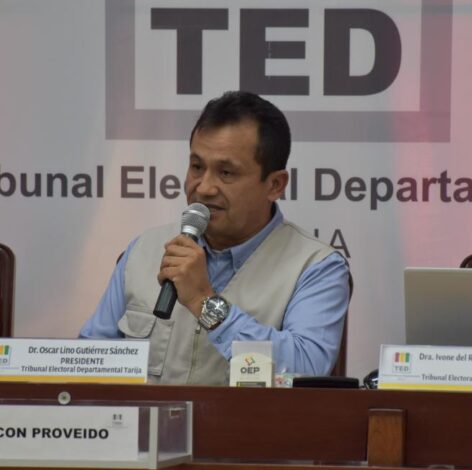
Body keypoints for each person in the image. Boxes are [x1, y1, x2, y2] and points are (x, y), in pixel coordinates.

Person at [80, 91, 351, 385]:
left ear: (275, 184)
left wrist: (205, 303)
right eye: (197, 167)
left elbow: (308, 368)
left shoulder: (315, 267)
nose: (204, 188)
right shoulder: (143, 250)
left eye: (226, 173)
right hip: (149, 416)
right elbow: (87, 364)